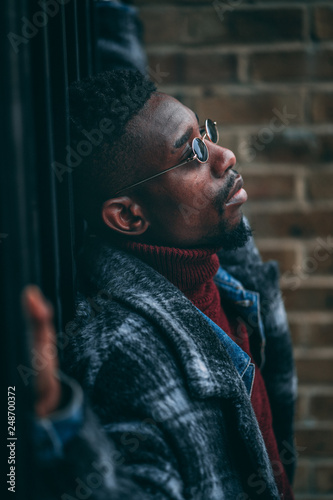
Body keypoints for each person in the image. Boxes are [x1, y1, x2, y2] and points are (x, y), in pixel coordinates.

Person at [51, 69, 297, 499]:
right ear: (128, 216)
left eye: (206, 133)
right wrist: (54, 416)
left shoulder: (225, 268)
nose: (225, 157)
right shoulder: (120, 352)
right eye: (192, 155)